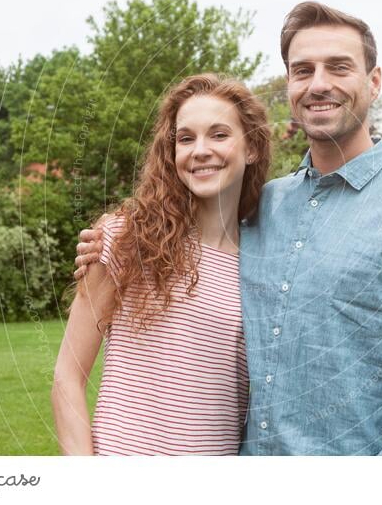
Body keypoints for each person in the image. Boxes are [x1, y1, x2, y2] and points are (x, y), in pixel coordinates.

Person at [75, 2, 382, 456]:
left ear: (374, 81)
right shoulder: (262, 206)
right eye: (302, 70)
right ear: (289, 84)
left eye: (339, 67)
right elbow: (186, 218)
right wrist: (113, 239)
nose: (319, 84)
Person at [53, 74, 271, 455]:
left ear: (251, 147)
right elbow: (67, 377)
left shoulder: (267, 263)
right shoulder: (125, 239)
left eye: (219, 135)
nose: (200, 150)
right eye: (186, 138)